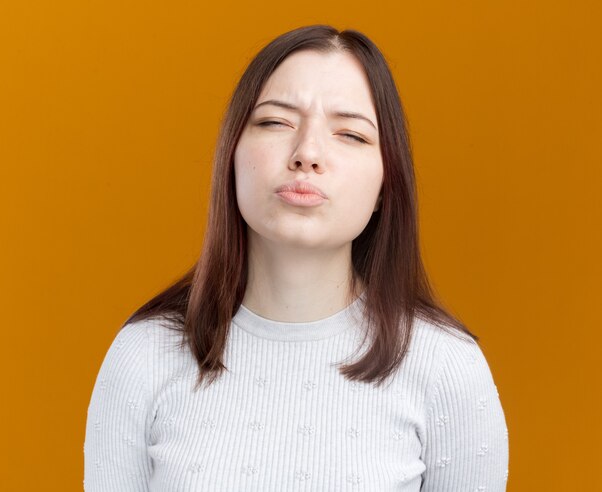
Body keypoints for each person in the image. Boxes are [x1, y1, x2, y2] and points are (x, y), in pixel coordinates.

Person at [83, 24, 509, 491]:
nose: (307, 153)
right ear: (231, 156)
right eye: (275, 122)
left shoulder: (447, 368)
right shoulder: (144, 356)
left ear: (386, 186)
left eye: (350, 134)